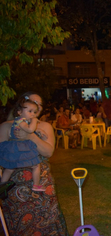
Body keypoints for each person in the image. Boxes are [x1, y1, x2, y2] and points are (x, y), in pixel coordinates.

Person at [0, 92, 68, 235]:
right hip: (15, 185)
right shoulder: (6, 126)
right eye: (32, 102)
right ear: (21, 106)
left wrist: (32, 137)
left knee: (46, 221)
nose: (36, 106)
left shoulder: (44, 126)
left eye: (40, 104)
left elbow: (49, 152)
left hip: (41, 182)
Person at [0, 98, 46, 191]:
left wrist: (38, 130)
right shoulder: (22, 121)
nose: (33, 114)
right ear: (19, 112)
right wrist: (34, 121)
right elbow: (29, 130)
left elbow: (29, 129)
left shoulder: (20, 121)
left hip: (15, 148)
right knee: (36, 165)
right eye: (30, 111)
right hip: (20, 148)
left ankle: (2, 185)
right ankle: (36, 185)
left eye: (34, 112)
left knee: (10, 168)